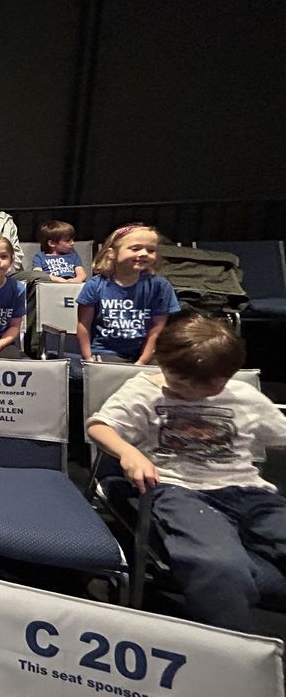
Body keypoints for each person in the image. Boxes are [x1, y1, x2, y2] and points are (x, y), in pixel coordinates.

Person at [87, 313, 286, 633]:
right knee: (219, 565)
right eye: (179, 383)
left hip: (249, 491)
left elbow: (280, 434)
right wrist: (129, 452)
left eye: (209, 385)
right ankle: (233, 648)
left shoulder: (242, 396)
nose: (190, 393)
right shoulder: (147, 389)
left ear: (227, 375)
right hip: (177, 489)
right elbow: (99, 426)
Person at [77, 224, 180, 364]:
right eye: (135, 248)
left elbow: (157, 327)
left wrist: (142, 361)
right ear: (112, 253)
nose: (144, 253)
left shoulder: (160, 286)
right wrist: (88, 358)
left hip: (146, 352)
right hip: (106, 351)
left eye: (151, 250)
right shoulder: (95, 285)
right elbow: (84, 324)